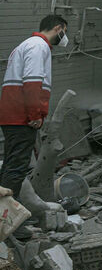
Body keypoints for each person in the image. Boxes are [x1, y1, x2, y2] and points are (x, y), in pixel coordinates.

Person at [0, 15, 67, 195]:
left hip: (12, 114)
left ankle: (6, 208)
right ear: (58, 28)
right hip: (21, 116)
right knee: (17, 167)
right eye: (65, 32)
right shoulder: (38, 46)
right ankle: (8, 215)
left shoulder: (27, 45)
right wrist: (35, 115)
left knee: (10, 163)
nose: (64, 37)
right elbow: (32, 82)